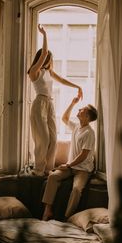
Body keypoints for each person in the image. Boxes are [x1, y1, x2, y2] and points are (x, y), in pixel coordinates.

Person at [28, 24, 83, 177]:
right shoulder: (34, 71)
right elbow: (45, 51)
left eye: (50, 59)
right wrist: (44, 34)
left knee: (54, 138)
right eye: (47, 58)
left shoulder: (48, 72)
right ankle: (38, 169)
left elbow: (62, 79)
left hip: (50, 104)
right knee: (43, 139)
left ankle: (48, 169)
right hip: (40, 104)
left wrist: (77, 85)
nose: (49, 60)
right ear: (41, 58)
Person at [41, 96, 98, 221]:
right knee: (53, 177)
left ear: (87, 116)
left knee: (77, 190)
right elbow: (64, 118)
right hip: (71, 166)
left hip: (83, 169)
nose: (79, 109)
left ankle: (68, 217)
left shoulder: (89, 133)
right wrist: (72, 103)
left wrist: (68, 165)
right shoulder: (77, 126)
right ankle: (48, 210)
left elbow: (83, 155)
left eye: (82, 109)